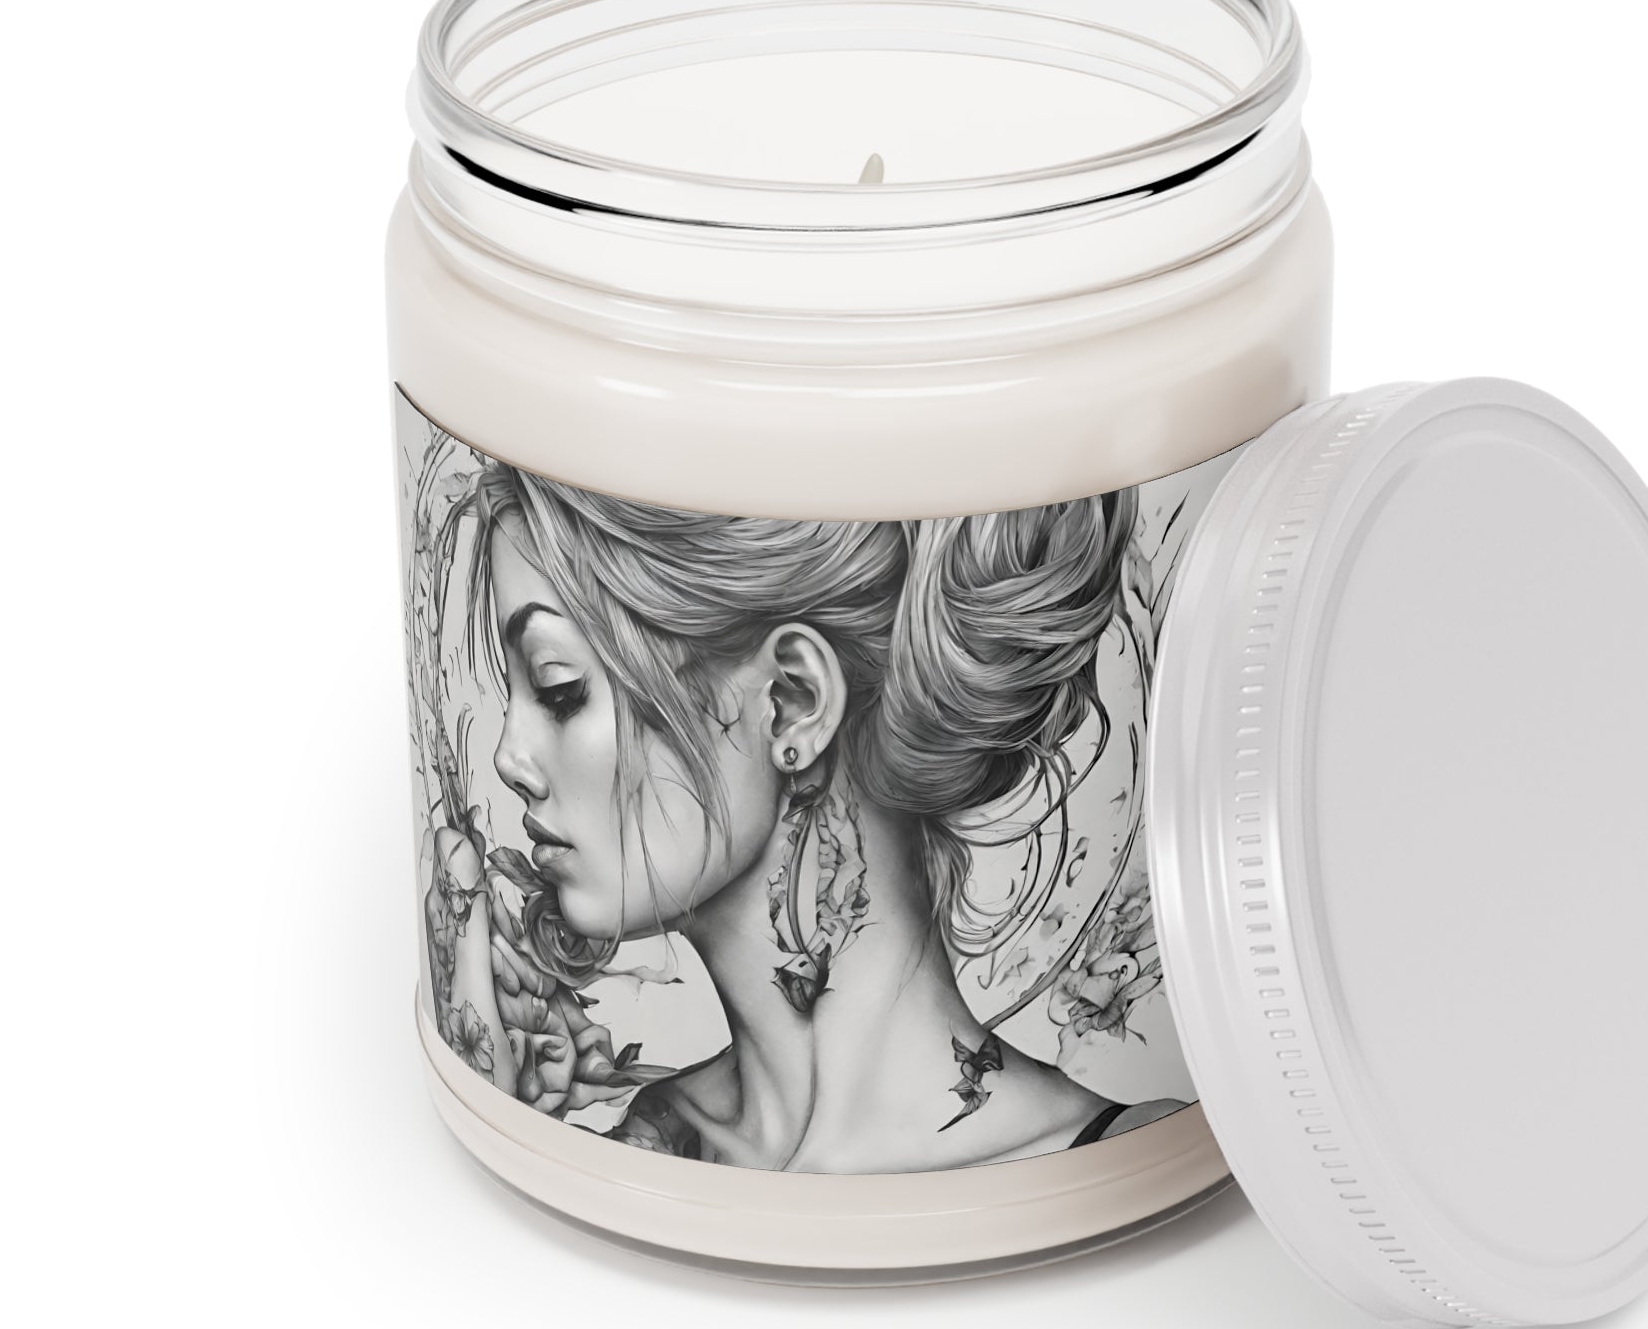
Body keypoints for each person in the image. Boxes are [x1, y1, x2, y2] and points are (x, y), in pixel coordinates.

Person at [451, 460, 1182, 1174]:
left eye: (559, 688)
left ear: (792, 701)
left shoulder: (1123, 1164)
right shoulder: (643, 1149)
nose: (509, 759)